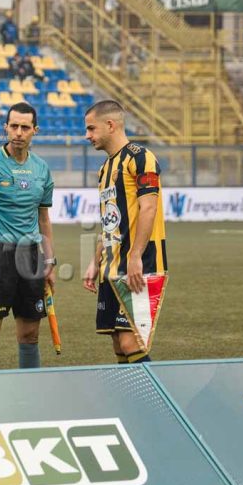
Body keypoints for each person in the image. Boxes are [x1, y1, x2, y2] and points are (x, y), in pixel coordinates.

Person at [82, 100, 167, 364]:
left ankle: (154, 403)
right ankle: (133, 404)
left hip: (141, 263)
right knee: (119, 342)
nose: (87, 136)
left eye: (91, 129)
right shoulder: (105, 169)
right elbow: (109, 221)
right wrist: (95, 261)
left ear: (110, 125)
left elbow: (149, 208)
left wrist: (135, 257)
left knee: (132, 341)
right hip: (112, 265)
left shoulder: (141, 158)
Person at [0, 102, 56, 370]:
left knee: (30, 334)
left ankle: (29, 390)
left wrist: (50, 262)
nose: (18, 132)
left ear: (35, 130)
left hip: (31, 257)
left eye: (24, 127)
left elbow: (44, 219)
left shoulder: (42, 169)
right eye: (14, 126)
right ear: (5, 127)